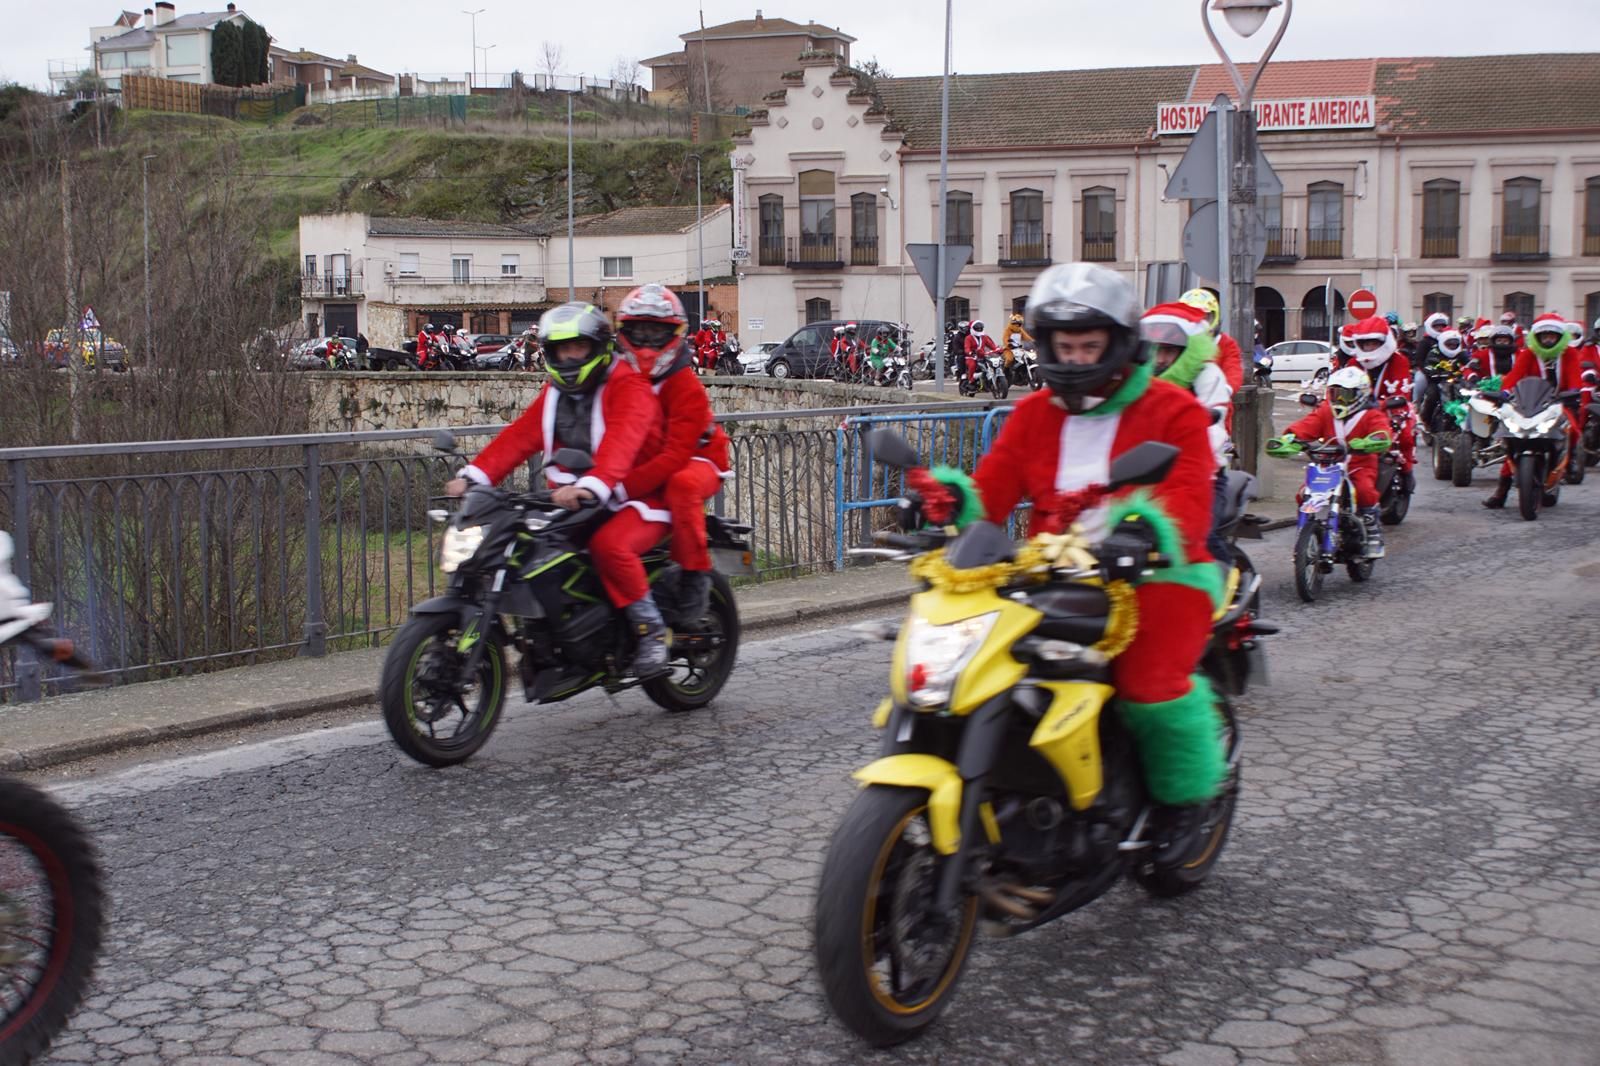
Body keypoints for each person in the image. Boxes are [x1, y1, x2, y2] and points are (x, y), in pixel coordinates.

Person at [910, 263, 1228, 871]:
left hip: (1158, 572)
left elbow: (1187, 498)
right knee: (979, 668)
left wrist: (1143, 531)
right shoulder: (1034, 413)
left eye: (1089, 346)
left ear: (1120, 344)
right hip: (1051, 572)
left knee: (1148, 685)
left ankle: (1184, 802)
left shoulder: (1173, 410)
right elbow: (991, 491)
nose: (1076, 359)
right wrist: (945, 504)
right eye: (1065, 346)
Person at [444, 302, 671, 675]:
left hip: (637, 496)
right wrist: (475, 476)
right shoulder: (555, 393)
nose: (570, 356)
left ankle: (651, 634)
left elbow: (622, 441)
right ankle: (555, 634)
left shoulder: (629, 386)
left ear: (598, 347)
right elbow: (520, 436)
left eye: (578, 347)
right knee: (522, 549)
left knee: (609, 547)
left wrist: (592, 485)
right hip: (571, 501)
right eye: (562, 349)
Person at [612, 284, 732, 625]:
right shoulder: (621, 376)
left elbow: (675, 455)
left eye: (656, 333)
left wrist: (622, 487)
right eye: (639, 332)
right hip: (651, 459)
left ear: (674, 335)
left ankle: (694, 575)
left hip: (700, 458)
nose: (647, 343)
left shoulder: (683, 383)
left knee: (681, 485)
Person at [1141, 301, 1234, 564]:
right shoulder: (1138, 381)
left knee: (1199, 535)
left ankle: (1226, 578)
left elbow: (1214, 426)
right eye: (1156, 349)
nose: (1161, 358)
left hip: (1201, 475)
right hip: (1145, 475)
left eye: (1169, 350)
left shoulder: (1207, 375)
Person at [1268, 366, 1392, 558]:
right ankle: (1308, 529)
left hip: (1359, 464)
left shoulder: (1371, 415)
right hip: (1329, 465)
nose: (1339, 400)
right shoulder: (1325, 412)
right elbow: (1306, 425)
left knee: (1364, 489)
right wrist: (1290, 439)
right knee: (1304, 492)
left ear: (1360, 394)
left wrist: (1371, 441)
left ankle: (1372, 529)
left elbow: (1381, 432)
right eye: (1334, 394)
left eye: (1345, 395)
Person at [1481, 313, 1587, 509]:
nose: (1548, 340)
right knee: (1513, 437)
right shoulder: (1528, 353)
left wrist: (1573, 391)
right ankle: (1501, 491)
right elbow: (1515, 376)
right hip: (1530, 403)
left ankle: (1571, 460)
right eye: (1544, 336)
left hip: (1559, 402)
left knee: (1572, 429)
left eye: (1552, 336)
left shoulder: (1569, 353)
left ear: (1560, 337)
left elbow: (1575, 378)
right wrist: (1504, 392)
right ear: (1537, 337)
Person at [1344, 316, 1415, 485]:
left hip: (1391, 408)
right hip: (1358, 410)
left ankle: (1407, 472)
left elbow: (1401, 392)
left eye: (1373, 343)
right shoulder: (1354, 362)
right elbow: (1343, 386)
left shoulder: (1399, 360)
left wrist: (1384, 404)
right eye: (1365, 344)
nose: (1369, 348)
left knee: (1405, 435)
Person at [963, 319, 999, 386]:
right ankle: (970, 380)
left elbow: (992, 345)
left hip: (983, 356)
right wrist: (970, 353)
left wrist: (997, 349)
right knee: (972, 365)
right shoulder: (968, 338)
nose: (979, 329)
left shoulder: (984, 337)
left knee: (992, 363)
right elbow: (966, 348)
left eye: (980, 328)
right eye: (977, 328)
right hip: (972, 357)